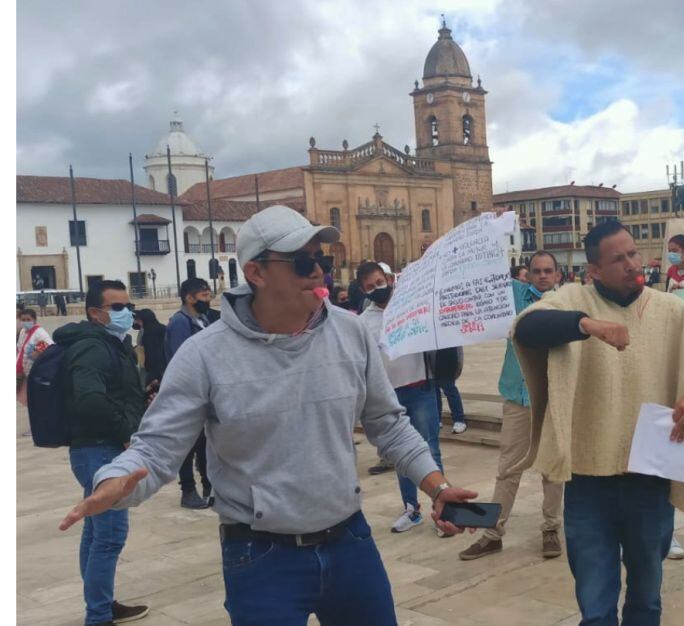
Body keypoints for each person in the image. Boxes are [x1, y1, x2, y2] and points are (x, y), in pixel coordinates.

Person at [59, 205, 477, 625]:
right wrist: (115, 482)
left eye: (323, 260)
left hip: (350, 543)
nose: (318, 272)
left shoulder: (350, 334)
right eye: (302, 262)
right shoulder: (205, 355)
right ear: (256, 272)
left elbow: (388, 424)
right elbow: (156, 448)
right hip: (260, 557)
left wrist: (437, 487)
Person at [511, 221, 684, 625]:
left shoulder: (671, 309)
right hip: (588, 480)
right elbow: (527, 327)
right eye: (617, 259)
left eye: (633, 253)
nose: (630, 264)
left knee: (645, 597)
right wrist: (586, 325)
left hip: (649, 480)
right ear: (593, 270)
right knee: (595, 600)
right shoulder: (572, 298)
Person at [53, 280, 150, 626]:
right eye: (118, 308)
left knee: (96, 532)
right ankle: (98, 615)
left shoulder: (109, 343)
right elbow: (90, 399)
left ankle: (102, 604)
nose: (128, 314)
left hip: (96, 446)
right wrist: (126, 432)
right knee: (109, 535)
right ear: (96, 313)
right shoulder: (92, 347)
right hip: (99, 448)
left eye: (130, 306)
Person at [459, 251, 565, 562]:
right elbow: (485, 277)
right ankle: (492, 533)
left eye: (549, 271)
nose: (543, 276)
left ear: (558, 275)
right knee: (508, 468)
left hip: (552, 399)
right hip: (517, 397)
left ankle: (551, 528)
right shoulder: (515, 297)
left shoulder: (568, 304)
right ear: (527, 275)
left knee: (553, 468)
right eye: (537, 271)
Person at [356, 261, 449, 534]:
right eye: (370, 287)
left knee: (430, 448)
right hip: (389, 394)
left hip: (420, 387)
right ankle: (411, 508)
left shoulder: (411, 307)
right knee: (401, 454)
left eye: (378, 282)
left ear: (387, 278)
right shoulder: (363, 323)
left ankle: (442, 506)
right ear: (363, 290)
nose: (376, 289)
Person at [166, 278, 215, 510]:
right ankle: (187, 489)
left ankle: (208, 484)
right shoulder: (180, 322)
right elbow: (181, 358)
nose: (208, 300)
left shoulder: (202, 319)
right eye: (203, 296)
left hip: (205, 391)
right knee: (188, 444)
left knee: (205, 443)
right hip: (188, 392)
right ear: (190, 297)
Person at [15, 307, 52, 406]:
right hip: (20, 368)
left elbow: (49, 344)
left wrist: (35, 352)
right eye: (23, 320)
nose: (25, 322)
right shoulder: (23, 331)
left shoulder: (39, 332)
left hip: (32, 371)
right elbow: (19, 347)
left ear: (34, 320)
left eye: (28, 320)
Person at [133, 309, 167, 386]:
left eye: (139, 321)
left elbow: (152, 354)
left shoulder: (148, 333)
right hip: (166, 367)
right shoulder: (163, 327)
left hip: (155, 371)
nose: (138, 323)